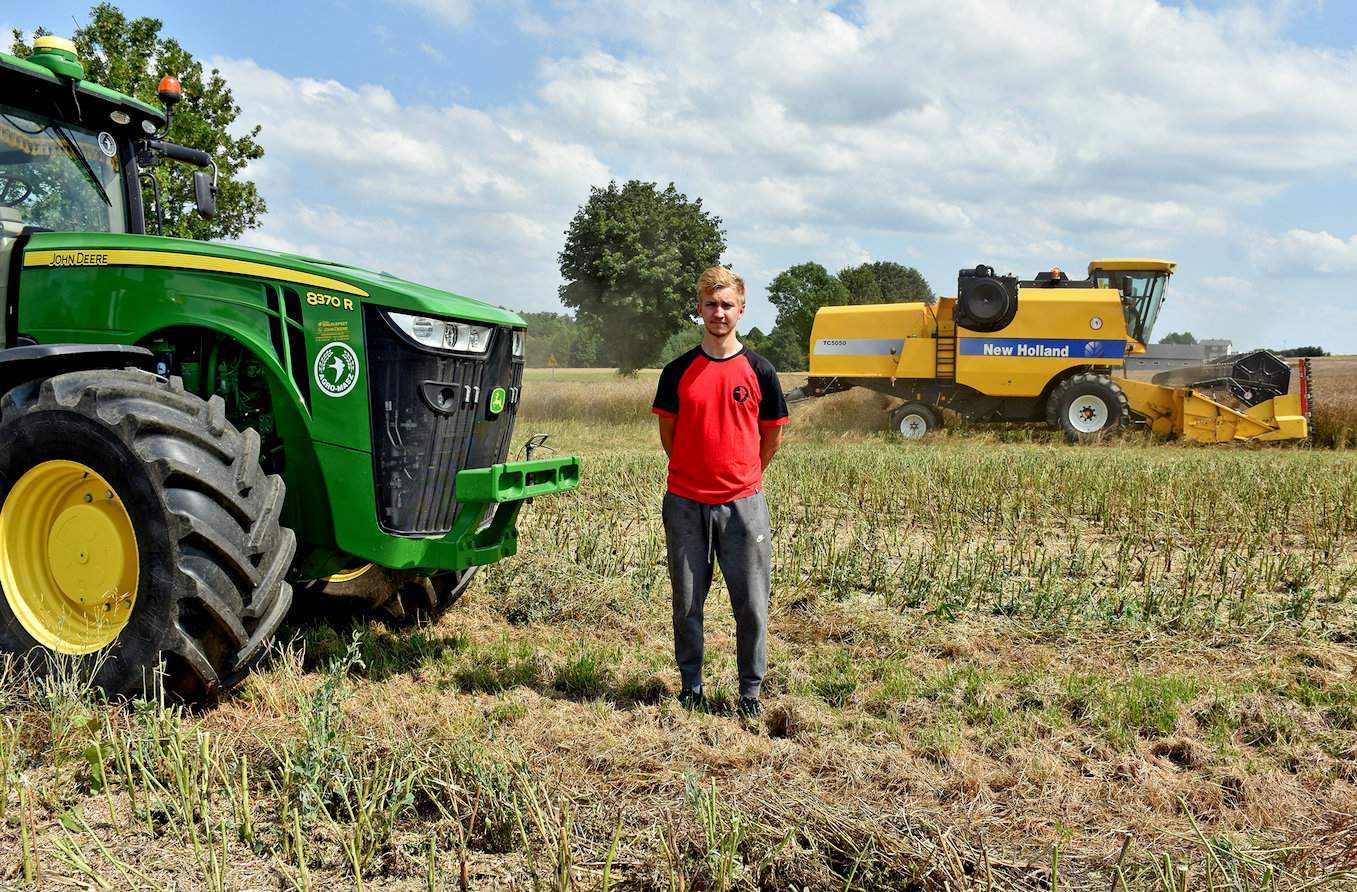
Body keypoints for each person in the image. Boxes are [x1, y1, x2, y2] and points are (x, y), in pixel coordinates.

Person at [651, 266, 788, 719]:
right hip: (686, 503)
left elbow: (770, 440)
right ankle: (691, 688)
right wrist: (696, 474)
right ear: (699, 309)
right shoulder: (677, 372)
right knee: (687, 601)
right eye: (711, 304)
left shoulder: (761, 371)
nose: (719, 313)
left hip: (743, 505)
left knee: (751, 604)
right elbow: (668, 435)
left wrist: (739, 478)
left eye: (727, 304)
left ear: (741, 309)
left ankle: (750, 693)